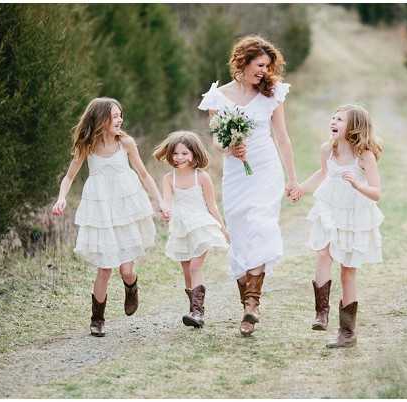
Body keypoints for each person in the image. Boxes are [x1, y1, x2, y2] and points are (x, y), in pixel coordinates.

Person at [198, 35, 301, 336]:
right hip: (235, 173)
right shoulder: (218, 96)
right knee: (241, 233)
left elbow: (282, 137)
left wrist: (292, 178)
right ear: (242, 62)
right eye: (259, 65)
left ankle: (252, 306)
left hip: (267, 169)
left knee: (260, 223)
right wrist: (230, 147)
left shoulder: (273, 94)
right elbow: (216, 139)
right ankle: (247, 305)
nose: (264, 72)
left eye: (268, 66)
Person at [52, 97, 168, 337]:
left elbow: (145, 175)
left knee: (126, 269)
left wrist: (159, 202)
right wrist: (61, 198)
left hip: (126, 208)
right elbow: (69, 177)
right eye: (114, 116)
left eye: (120, 115)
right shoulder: (87, 146)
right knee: (105, 268)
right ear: (101, 119)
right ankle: (97, 319)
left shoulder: (126, 143)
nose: (120, 120)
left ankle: (131, 287)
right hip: (102, 210)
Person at [292, 104, 384, 348]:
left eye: (340, 119)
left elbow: (376, 193)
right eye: (333, 118)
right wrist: (301, 188)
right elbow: (323, 173)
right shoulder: (328, 149)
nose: (333, 122)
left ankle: (347, 332)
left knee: (347, 271)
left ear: (354, 126)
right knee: (323, 253)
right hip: (330, 210)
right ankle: (321, 312)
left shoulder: (364, 155)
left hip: (354, 216)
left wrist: (357, 185)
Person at [153, 131, 229, 328]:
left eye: (185, 153)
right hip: (181, 228)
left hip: (202, 226)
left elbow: (212, 206)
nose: (179, 157)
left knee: (195, 266)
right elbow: (168, 200)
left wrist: (222, 229)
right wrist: (165, 210)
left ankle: (197, 312)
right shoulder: (169, 178)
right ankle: (194, 309)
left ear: (194, 154)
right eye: (176, 153)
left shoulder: (201, 177)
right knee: (187, 270)